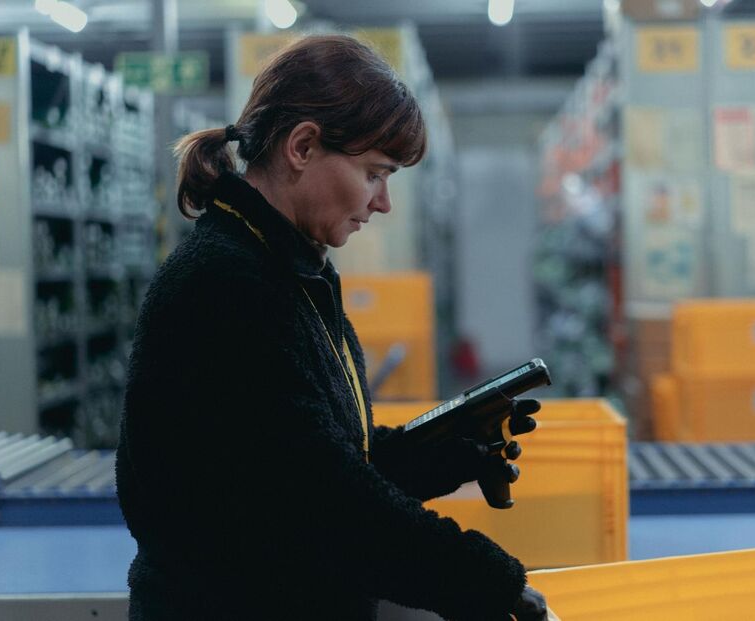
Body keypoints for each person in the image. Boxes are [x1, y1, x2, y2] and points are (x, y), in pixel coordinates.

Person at [116, 34, 549, 621]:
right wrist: (485, 581)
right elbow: (321, 501)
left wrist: (446, 451)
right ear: (302, 147)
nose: (383, 202)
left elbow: (308, 459)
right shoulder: (224, 288)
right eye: (375, 173)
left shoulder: (288, 268)